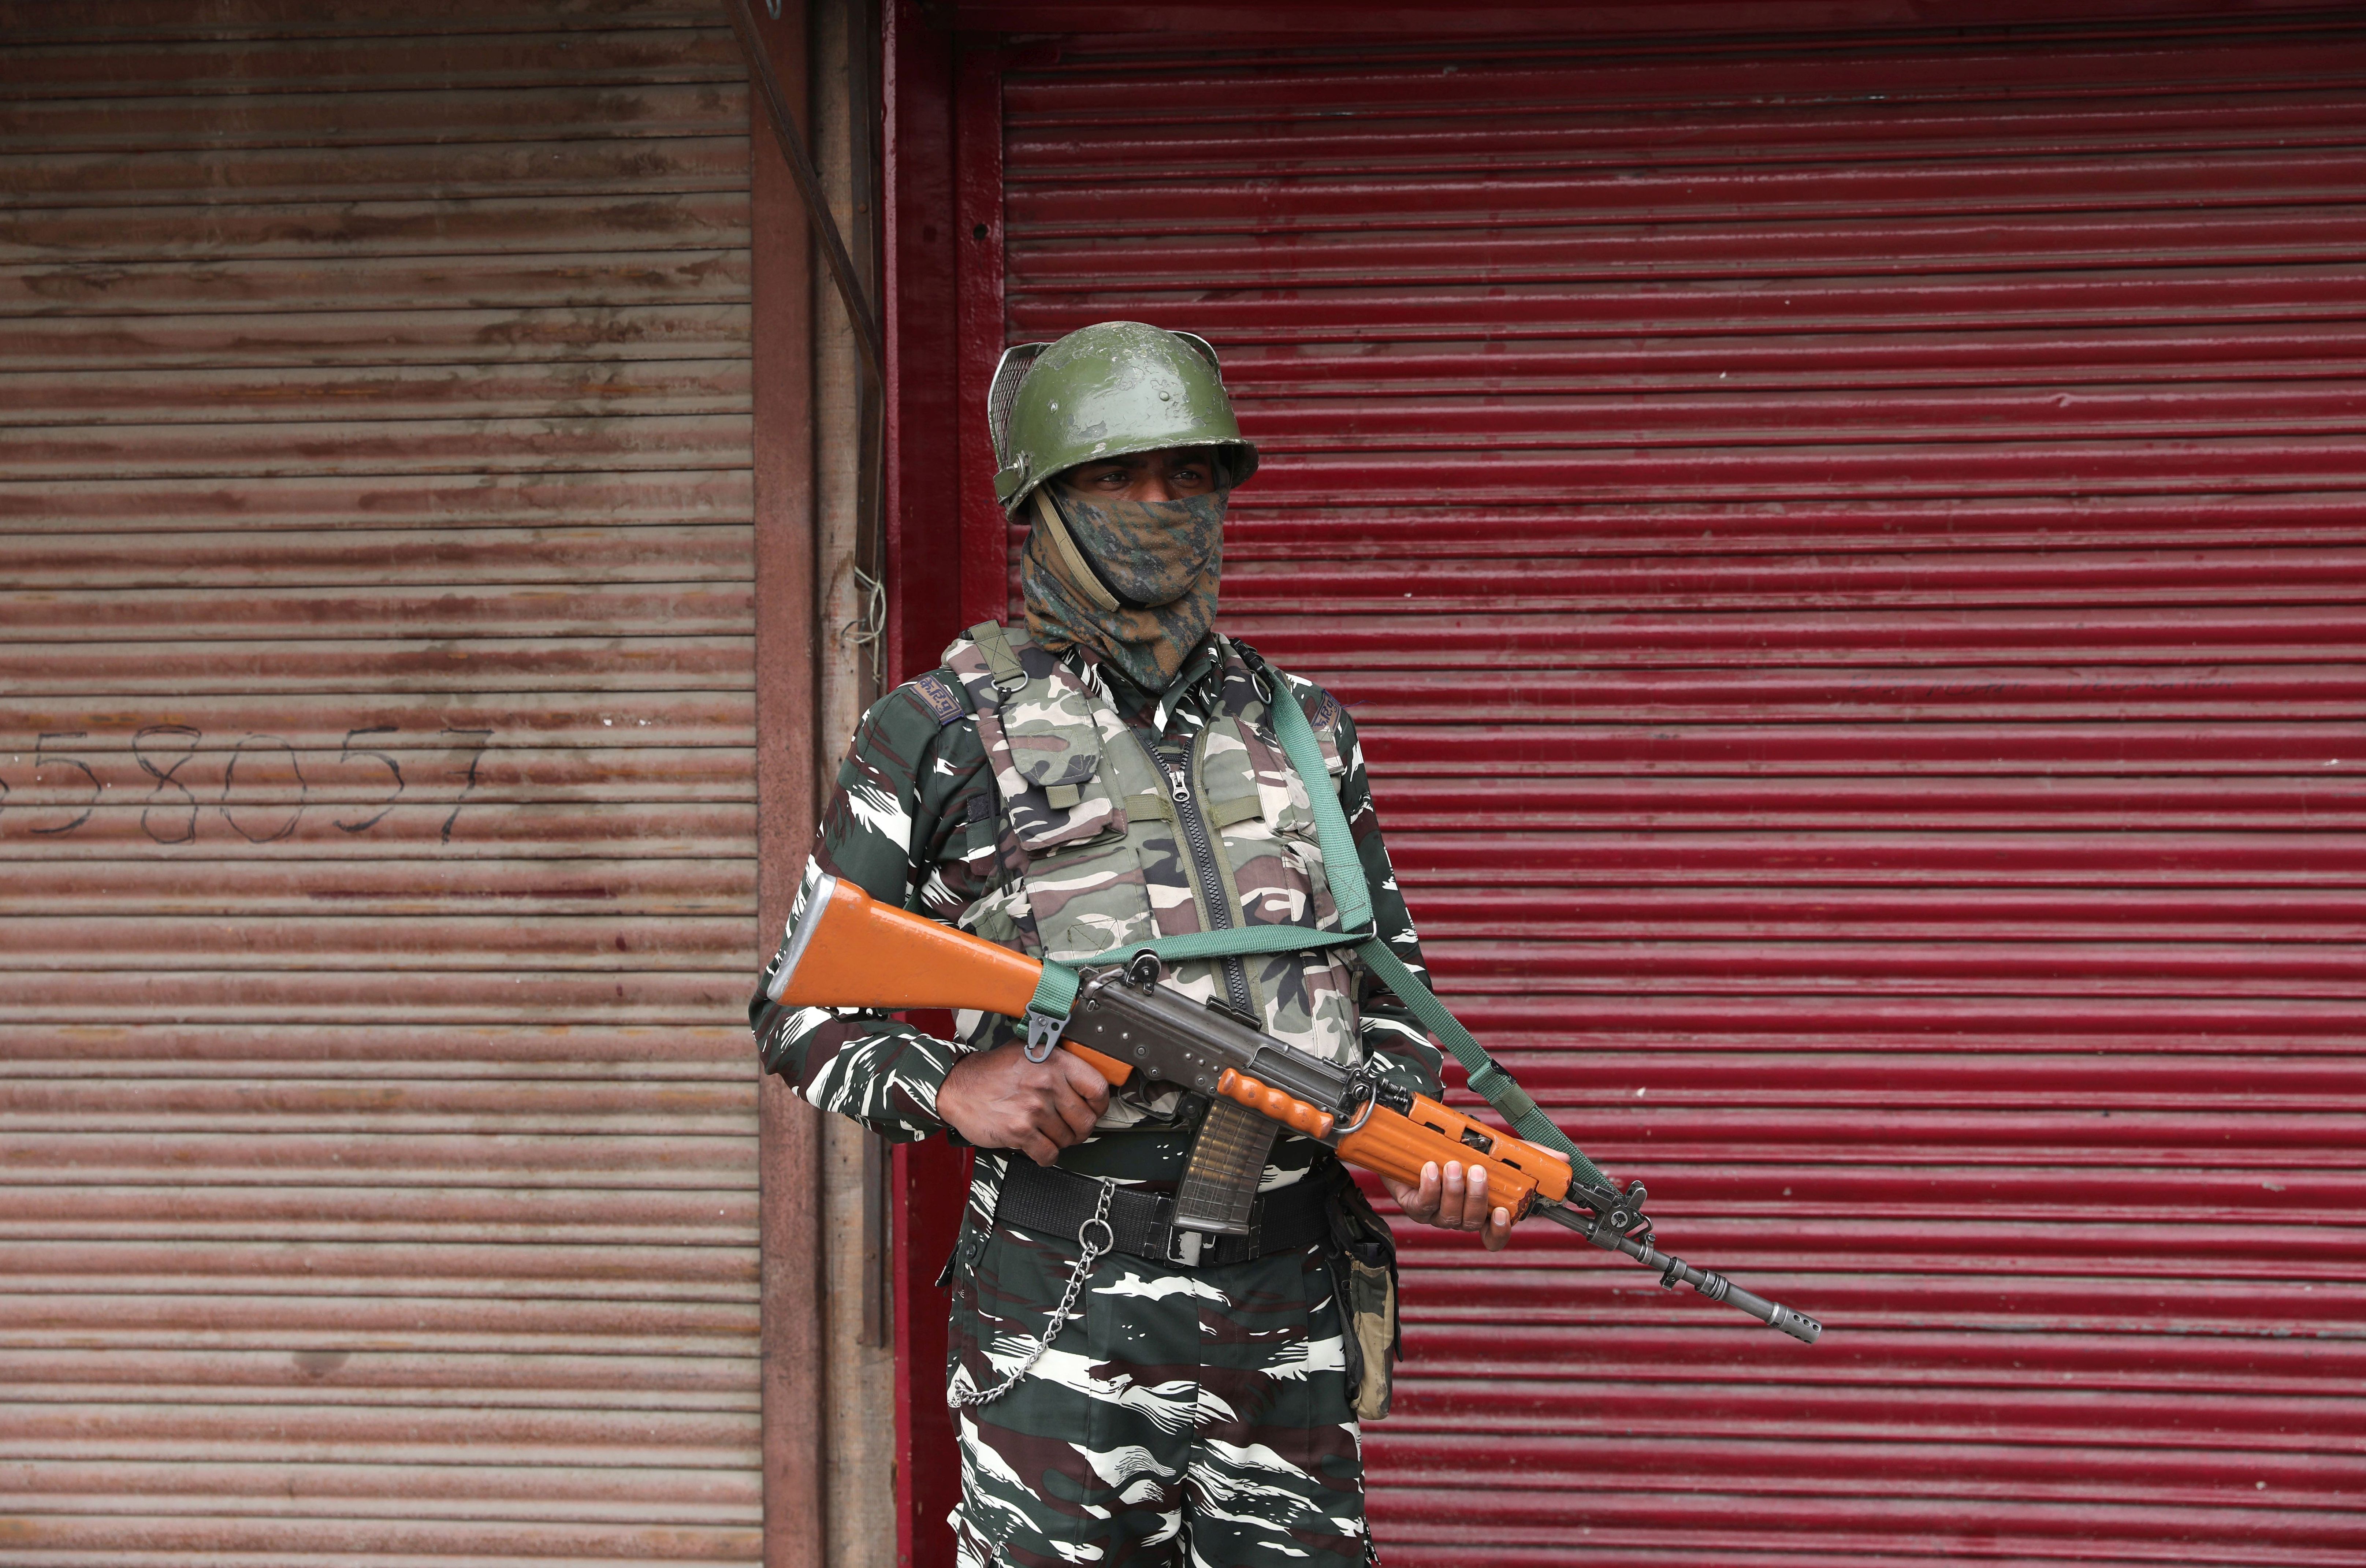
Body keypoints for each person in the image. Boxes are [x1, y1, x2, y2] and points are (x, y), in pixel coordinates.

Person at [752, 320, 1513, 1567]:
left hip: (1289, 1313)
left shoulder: (1309, 729)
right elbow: (796, 1010)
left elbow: (1391, 999)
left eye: (1188, 478)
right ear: (1041, 502)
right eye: (1115, 479)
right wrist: (954, 1086)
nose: (1160, 508)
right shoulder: (937, 730)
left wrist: (1422, 1146)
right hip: (1062, 1310)